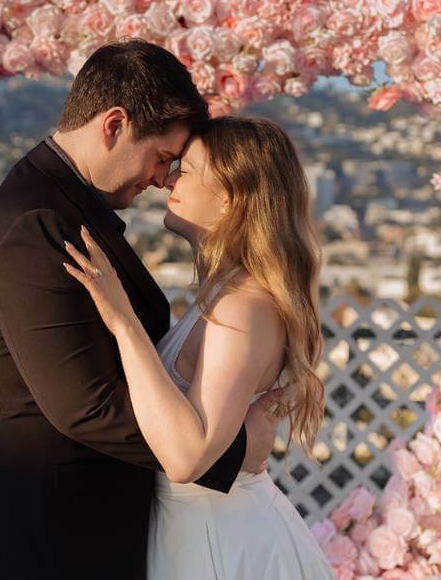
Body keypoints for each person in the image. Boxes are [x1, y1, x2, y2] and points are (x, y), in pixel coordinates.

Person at [0, 40, 281, 580]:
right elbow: (85, 405)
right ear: (114, 125)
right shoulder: (36, 226)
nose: (161, 178)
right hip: (45, 544)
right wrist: (228, 452)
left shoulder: (62, 207)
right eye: (162, 158)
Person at [63, 115, 335, 579]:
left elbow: (188, 457)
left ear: (230, 199)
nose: (169, 180)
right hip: (195, 532)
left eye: (186, 170)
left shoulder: (243, 306)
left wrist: (123, 321)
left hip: (218, 543)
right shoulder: (224, 294)